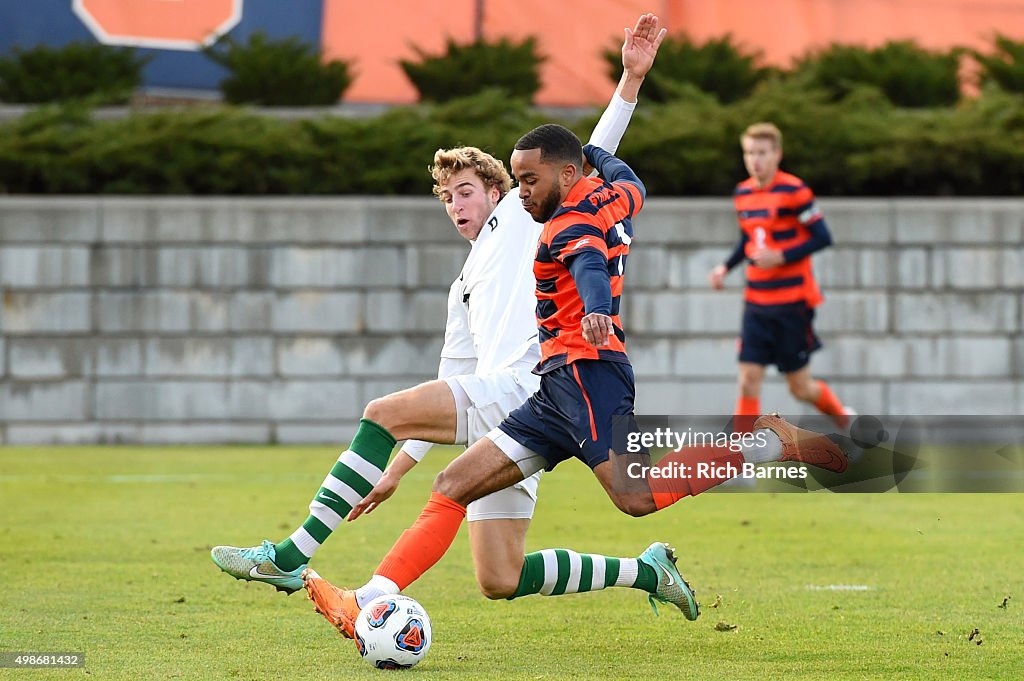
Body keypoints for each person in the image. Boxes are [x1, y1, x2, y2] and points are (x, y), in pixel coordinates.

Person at [213, 13, 694, 617]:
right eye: (446, 197)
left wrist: (629, 81)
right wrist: (396, 466)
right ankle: (644, 571)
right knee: (500, 574)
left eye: (466, 189)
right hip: (520, 407)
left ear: (498, 190)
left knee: (381, 412)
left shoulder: (523, 216)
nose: (456, 203)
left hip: (528, 383)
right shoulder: (462, 284)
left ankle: (290, 555)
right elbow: (452, 371)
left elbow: (591, 152)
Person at [302, 121, 849, 639]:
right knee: (453, 488)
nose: (521, 193)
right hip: (552, 388)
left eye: (529, 181)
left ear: (566, 176)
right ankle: (368, 598)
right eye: (518, 181)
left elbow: (587, 261)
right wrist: (599, 156)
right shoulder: (618, 196)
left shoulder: (568, 224)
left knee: (635, 498)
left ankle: (766, 441)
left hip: (589, 375)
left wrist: (595, 306)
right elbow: (629, 180)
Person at [709, 123, 853, 433]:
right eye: (749, 153)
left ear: (777, 154)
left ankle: (844, 419)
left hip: (792, 304)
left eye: (762, 153)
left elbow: (822, 237)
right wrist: (725, 268)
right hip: (756, 303)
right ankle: (743, 455)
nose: (755, 160)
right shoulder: (743, 193)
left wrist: (782, 256)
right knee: (748, 379)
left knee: (800, 388)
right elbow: (747, 241)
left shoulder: (795, 191)